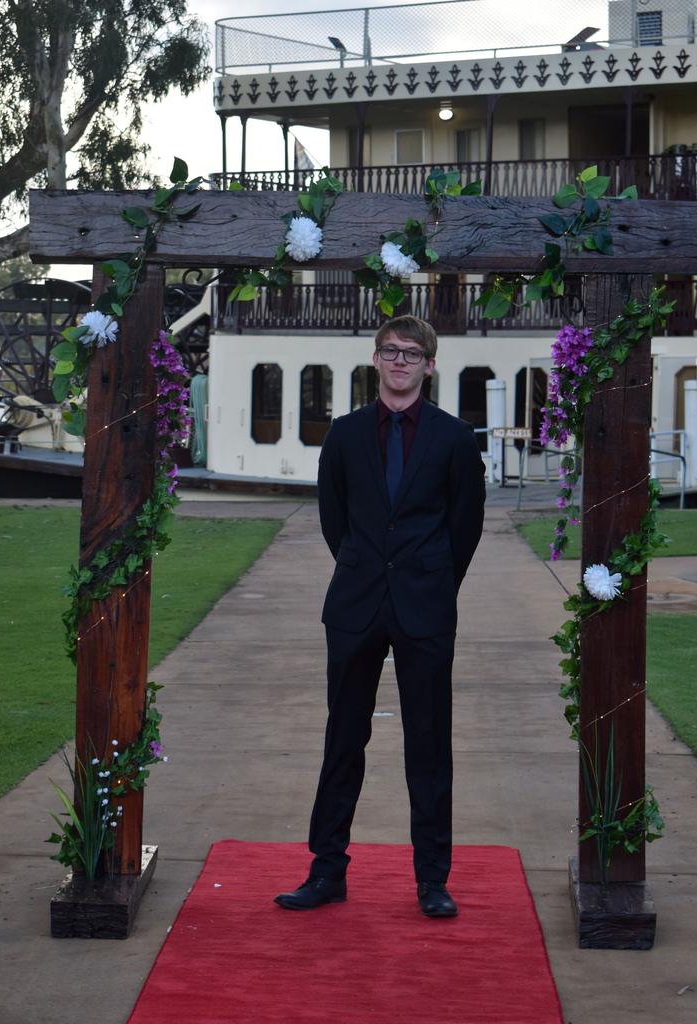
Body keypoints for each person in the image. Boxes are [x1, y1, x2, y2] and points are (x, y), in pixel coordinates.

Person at [275, 315, 486, 917]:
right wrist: (366, 567)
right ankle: (326, 872)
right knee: (343, 741)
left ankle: (432, 881)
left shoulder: (453, 438)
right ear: (375, 359)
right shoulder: (342, 435)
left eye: (411, 353)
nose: (400, 361)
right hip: (356, 606)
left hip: (425, 610)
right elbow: (333, 520)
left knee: (429, 746)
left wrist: (433, 584)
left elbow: (464, 528)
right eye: (390, 351)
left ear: (430, 365)